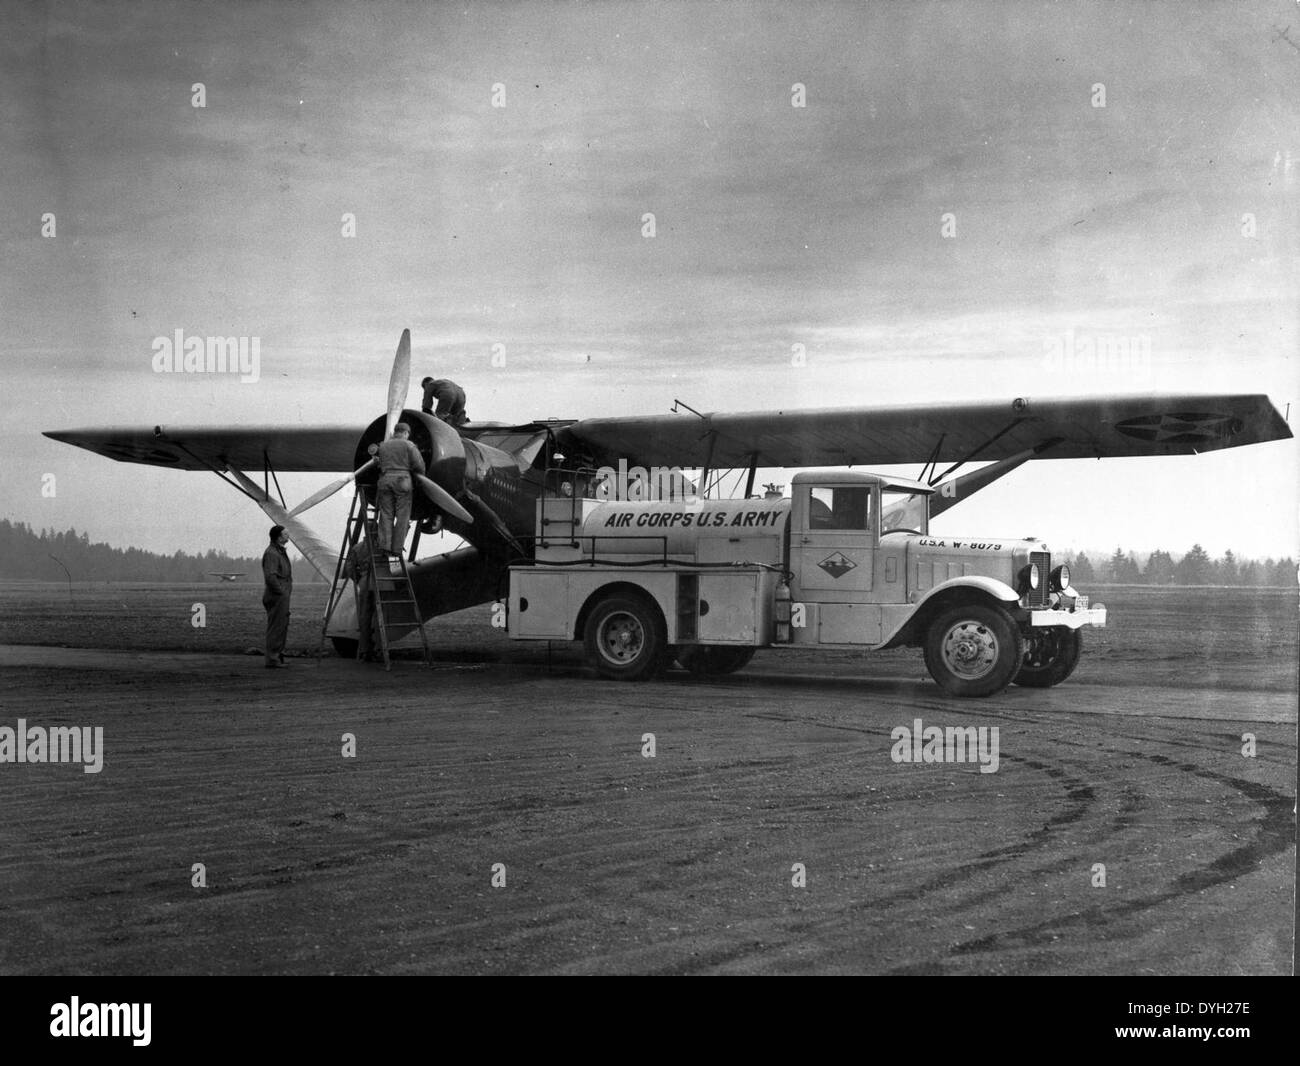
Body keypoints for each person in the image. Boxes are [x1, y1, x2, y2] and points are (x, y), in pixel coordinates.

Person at [375, 422, 426, 555]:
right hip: (402, 481)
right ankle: (397, 549)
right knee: (403, 516)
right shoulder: (409, 445)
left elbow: (379, 464)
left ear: (395, 432)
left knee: (386, 514)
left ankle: (385, 546)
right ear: (405, 433)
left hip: (384, 481)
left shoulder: (383, 445)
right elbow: (419, 465)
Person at [347, 535, 383, 662]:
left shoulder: (357, 548)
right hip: (381, 581)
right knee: (381, 618)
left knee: (365, 617)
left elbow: (350, 568)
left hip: (365, 582)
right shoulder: (382, 545)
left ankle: (364, 651)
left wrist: (360, 579)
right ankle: (380, 649)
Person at [261, 524, 292, 668]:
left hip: (281, 595)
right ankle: (273, 659)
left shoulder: (277, 552)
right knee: (276, 627)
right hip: (277, 596)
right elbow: (270, 577)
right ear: (279, 537)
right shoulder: (272, 554)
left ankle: (277, 656)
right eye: (286, 534)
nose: (288, 536)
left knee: (281, 626)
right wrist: (281, 592)